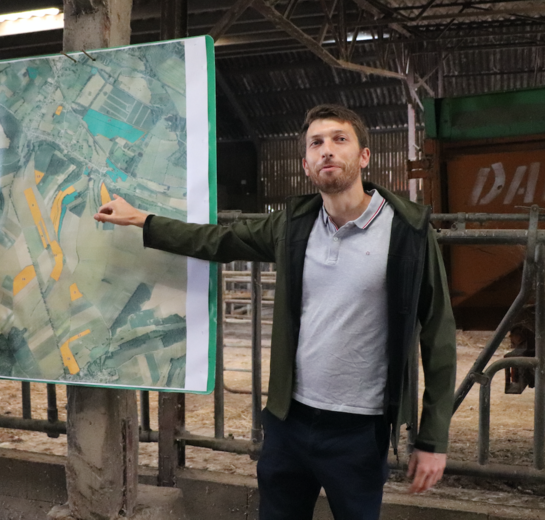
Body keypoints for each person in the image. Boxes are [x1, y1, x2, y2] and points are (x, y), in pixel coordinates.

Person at [94, 104, 456, 520]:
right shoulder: (293, 226)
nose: (327, 151)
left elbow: (440, 336)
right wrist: (142, 219)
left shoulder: (407, 233)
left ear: (364, 156)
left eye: (340, 139)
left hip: (359, 431)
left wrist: (433, 439)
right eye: (316, 143)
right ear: (305, 164)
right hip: (290, 422)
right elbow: (218, 239)